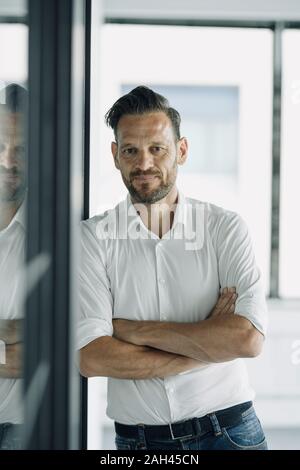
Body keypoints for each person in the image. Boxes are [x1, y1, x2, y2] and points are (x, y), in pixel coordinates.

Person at [78, 86, 268, 451]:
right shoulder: (92, 239)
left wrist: (131, 331)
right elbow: (92, 356)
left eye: (157, 149)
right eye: (131, 150)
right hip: (140, 444)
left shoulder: (223, 228)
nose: (144, 163)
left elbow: (247, 339)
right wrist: (204, 347)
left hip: (229, 433)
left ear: (181, 151)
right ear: (115, 155)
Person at [0, 84, 27, 450]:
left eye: (21, 149)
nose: (8, 160)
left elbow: (57, 348)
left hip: (26, 431)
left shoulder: (60, 237)